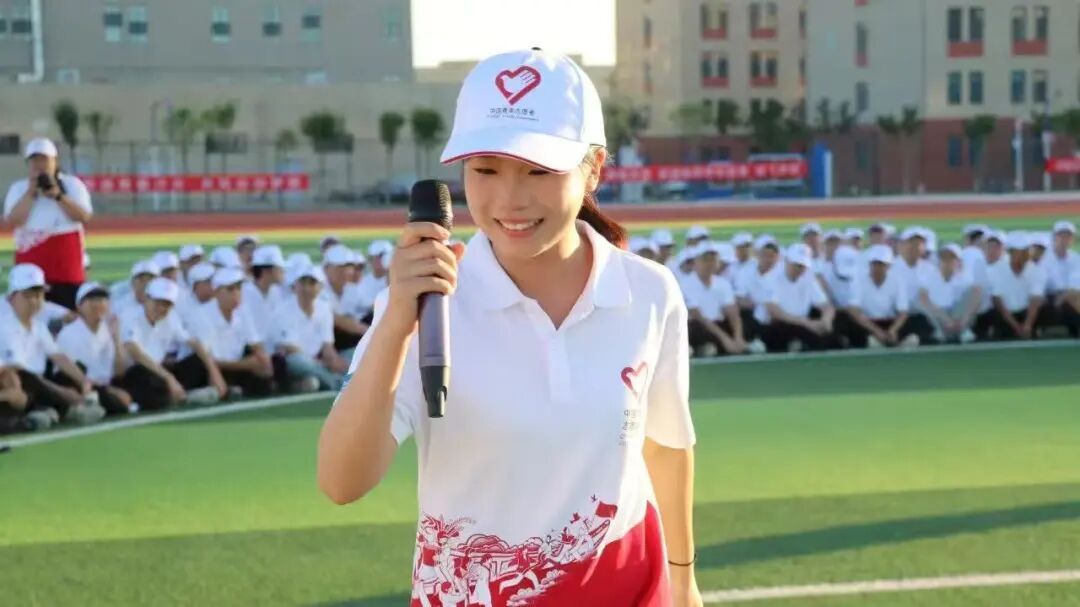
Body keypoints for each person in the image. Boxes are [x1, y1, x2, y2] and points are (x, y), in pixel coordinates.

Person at [319, 49, 699, 607]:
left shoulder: (649, 291)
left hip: (630, 589)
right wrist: (399, 321)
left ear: (594, 168)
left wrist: (683, 580)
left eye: (538, 170)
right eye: (486, 170)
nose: (509, 200)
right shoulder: (425, 306)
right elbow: (341, 481)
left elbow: (664, 445)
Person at [0, 264, 105, 426]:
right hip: (20, 383)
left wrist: (84, 380)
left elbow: (58, 356)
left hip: (39, 384)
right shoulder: (5, 326)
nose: (34, 301)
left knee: (74, 370)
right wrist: (59, 390)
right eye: (28, 295)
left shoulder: (38, 326)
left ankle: (54, 410)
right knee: (27, 378)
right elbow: (15, 370)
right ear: (12, 297)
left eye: (39, 295)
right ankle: (69, 408)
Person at [2, 138, 92, 310]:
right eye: (35, 160)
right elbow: (13, 220)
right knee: (30, 315)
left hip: (66, 271)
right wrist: (31, 193)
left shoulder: (72, 185)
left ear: (55, 161)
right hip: (29, 271)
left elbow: (83, 216)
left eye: (44, 159)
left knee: (68, 315)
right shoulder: (19, 188)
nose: (39, 165)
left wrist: (58, 196)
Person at [117, 277, 226, 410]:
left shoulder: (170, 318)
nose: (161, 308)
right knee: (150, 381)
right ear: (147, 298)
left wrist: (214, 371)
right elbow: (135, 352)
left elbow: (193, 342)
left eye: (166, 305)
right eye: (157, 302)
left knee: (198, 361)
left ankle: (183, 394)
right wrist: (169, 377)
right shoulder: (130, 316)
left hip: (159, 369)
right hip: (135, 371)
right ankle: (185, 396)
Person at [188, 268, 274, 398]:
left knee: (271, 367)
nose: (236, 293)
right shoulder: (202, 315)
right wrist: (244, 365)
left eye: (239, 288)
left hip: (234, 363)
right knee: (198, 366)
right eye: (230, 289)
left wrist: (264, 360)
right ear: (217, 292)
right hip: (210, 366)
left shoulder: (243, 311)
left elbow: (255, 343)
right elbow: (207, 357)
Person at [55, 282, 136, 416]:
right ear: (79, 306)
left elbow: (120, 371)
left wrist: (116, 339)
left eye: (102, 300)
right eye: (92, 300)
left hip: (107, 384)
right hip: (83, 385)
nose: (98, 304)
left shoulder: (110, 328)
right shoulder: (69, 333)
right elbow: (74, 372)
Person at [273, 264, 348, 392]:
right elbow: (289, 348)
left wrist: (334, 360)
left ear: (320, 287)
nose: (307, 288)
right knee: (299, 361)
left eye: (312, 283)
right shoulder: (283, 310)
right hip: (291, 360)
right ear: (295, 286)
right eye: (303, 283)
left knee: (352, 355)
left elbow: (327, 345)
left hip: (317, 362)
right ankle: (336, 382)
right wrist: (318, 362)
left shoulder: (324, 308)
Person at [836, 245, 924, 349]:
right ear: (870, 264)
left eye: (881, 264)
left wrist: (893, 330)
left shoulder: (897, 280)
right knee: (844, 320)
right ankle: (874, 342)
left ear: (888, 266)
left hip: (890, 322)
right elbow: (854, 310)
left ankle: (893, 341)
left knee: (919, 319)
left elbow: (903, 311)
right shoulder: (858, 279)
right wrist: (876, 331)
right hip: (868, 323)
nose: (877, 268)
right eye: (874, 264)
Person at [756, 244, 836, 352]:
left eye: (802, 266)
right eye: (796, 265)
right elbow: (775, 312)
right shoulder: (770, 278)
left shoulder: (809, 278)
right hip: (773, 325)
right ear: (787, 261)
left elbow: (825, 305)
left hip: (801, 323)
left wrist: (826, 319)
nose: (799, 269)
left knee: (827, 333)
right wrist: (807, 323)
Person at [683, 244, 749, 356]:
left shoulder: (723, 283)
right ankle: (703, 347)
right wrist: (725, 339)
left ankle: (739, 343)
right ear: (696, 262)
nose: (710, 264)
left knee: (745, 316)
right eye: (705, 260)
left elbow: (732, 311)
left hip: (718, 324)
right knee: (693, 327)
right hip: (700, 326)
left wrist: (738, 337)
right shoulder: (686, 284)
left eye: (713, 260)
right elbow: (698, 315)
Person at [987, 232, 1052, 340]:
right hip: (1005, 314)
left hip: (1026, 312)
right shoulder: (996, 270)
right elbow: (998, 301)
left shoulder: (1037, 270)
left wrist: (1027, 325)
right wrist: (1016, 326)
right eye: (1019, 252)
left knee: (1045, 306)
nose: (1023, 255)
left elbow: (1035, 299)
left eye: (1026, 251)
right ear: (1010, 252)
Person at [918, 244, 980, 344]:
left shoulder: (965, 276)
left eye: (951, 258)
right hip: (939, 315)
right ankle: (939, 331)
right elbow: (923, 299)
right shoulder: (929, 276)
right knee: (923, 302)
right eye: (943, 258)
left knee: (974, 293)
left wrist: (964, 320)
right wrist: (946, 320)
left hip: (957, 314)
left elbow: (976, 294)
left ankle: (962, 330)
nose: (946, 262)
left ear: (959, 262)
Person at [321, 244, 369, 351]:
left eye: (347, 267)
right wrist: (371, 332)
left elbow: (370, 307)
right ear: (326, 269)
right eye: (338, 268)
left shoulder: (352, 289)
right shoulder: (319, 290)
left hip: (352, 334)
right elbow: (337, 320)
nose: (343, 272)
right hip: (329, 342)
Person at [244, 245, 288, 349]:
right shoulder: (244, 294)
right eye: (280, 268)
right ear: (266, 271)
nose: (283, 272)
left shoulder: (277, 292)